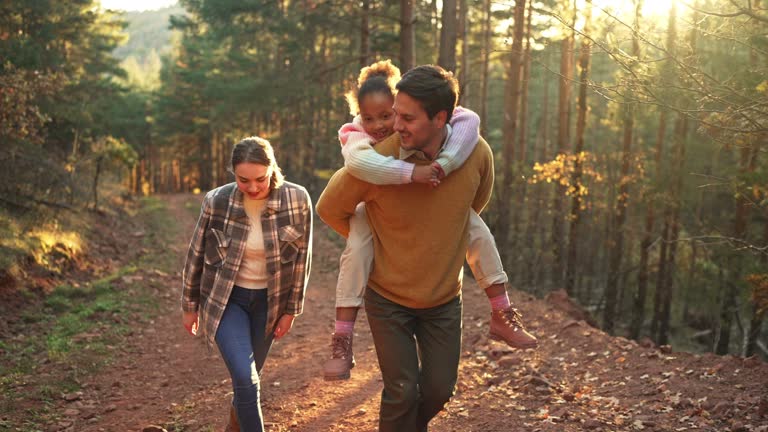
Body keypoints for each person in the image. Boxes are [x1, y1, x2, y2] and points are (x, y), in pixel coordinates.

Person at [316, 65, 533, 431]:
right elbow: (329, 208)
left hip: (444, 299)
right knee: (401, 390)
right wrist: (377, 240)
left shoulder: (476, 153)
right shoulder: (375, 161)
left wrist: (435, 235)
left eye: (406, 117)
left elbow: (472, 208)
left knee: (438, 389)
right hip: (388, 298)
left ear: (440, 118)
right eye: (394, 114)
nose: (396, 125)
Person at [180, 137, 312, 432]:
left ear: (272, 169)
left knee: (247, 381)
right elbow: (196, 254)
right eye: (243, 180)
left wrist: (292, 310)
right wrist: (189, 306)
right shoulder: (217, 201)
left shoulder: (297, 199)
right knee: (246, 377)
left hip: (270, 304)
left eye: (260, 180)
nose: (252, 188)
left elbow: (302, 260)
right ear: (233, 173)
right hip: (227, 301)